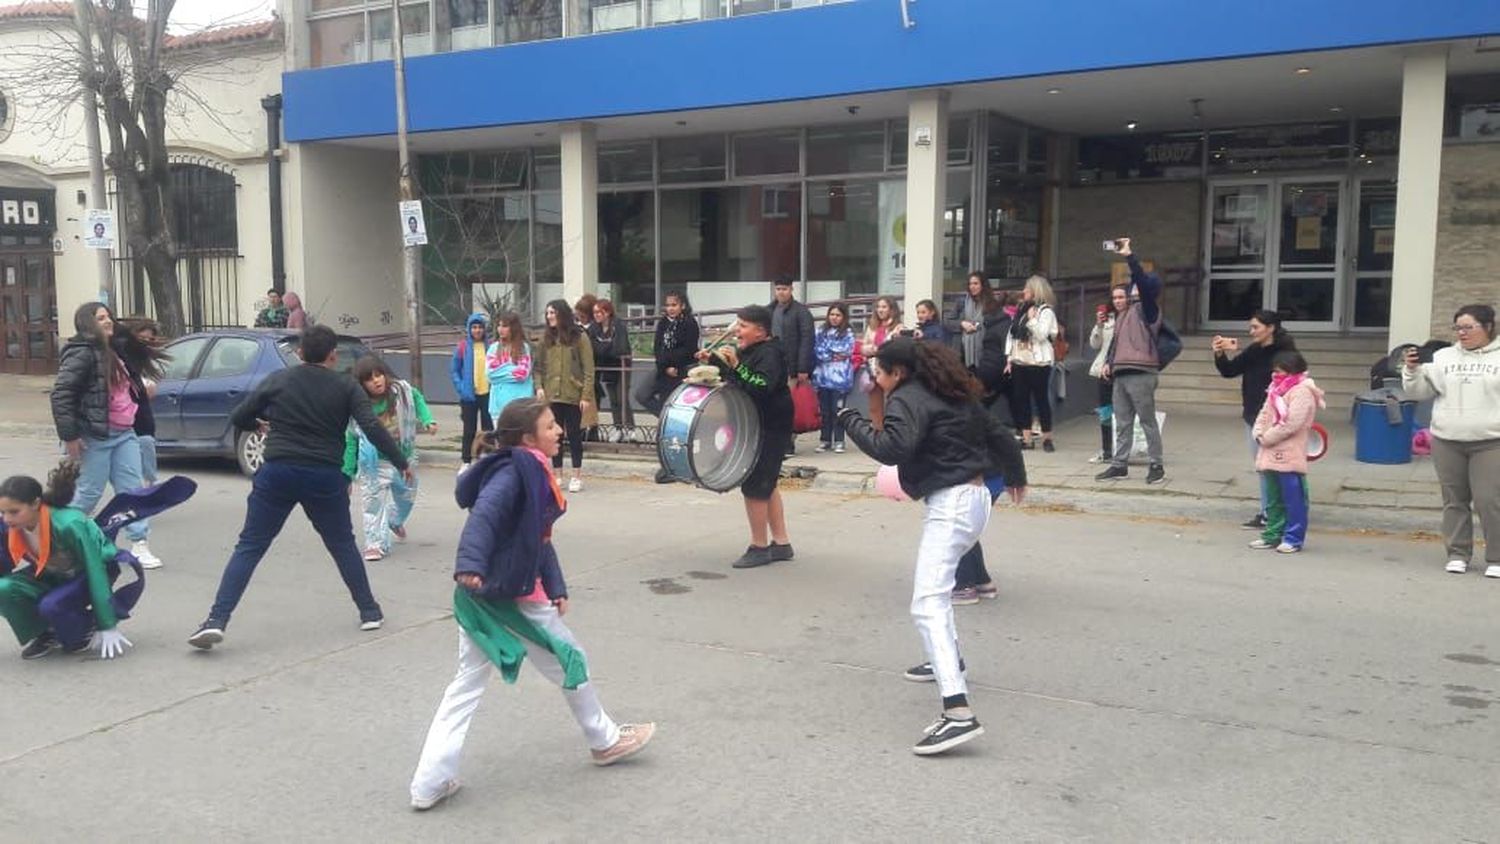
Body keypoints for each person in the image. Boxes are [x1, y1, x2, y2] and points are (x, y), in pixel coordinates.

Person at [407, 400, 655, 812]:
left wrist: (556, 584)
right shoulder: (515, 472)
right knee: (572, 661)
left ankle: (429, 782)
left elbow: (536, 537)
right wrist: (469, 563)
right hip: (511, 598)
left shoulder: (524, 467)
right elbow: (483, 517)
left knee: (466, 684)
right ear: (527, 439)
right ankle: (605, 740)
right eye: (550, 425)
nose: (559, 431)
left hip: (484, 596)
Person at [836, 338, 1027, 755]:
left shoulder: (906, 398)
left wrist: (850, 419)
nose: (875, 379)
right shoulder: (951, 391)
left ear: (897, 373)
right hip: (975, 501)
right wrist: (1016, 476)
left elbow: (892, 448)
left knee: (927, 602)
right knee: (935, 595)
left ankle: (958, 713)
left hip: (953, 503)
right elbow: (1001, 436)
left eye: (879, 373)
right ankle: (947, 660)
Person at [187, 325, 413, 650]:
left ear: (301, 354)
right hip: (323, 475)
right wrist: (400, 460)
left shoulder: (279, 380)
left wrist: (258, 424)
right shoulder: (346, 386)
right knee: (342, 545)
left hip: (278, 471)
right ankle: (369, 611)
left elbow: (240, 415)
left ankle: (216, 620)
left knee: (249, 546)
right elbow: (373, 428)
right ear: (333, 356)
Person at [51, 303, 156, 566]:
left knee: (132, 491)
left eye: (108, 316)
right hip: (96, 435)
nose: (107, 321)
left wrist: (141, 389)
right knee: (88, 493)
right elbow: (62, 394)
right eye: (100, 318)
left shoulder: (114, 348)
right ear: (88, 324)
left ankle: (139, 543)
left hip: (125, 433)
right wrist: (70, 436)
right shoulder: (82, 353)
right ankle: (61, 543)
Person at [0, 462, 137, 660]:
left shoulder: (69, 524)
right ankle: (47, 632)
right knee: (3, 588)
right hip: (53, 573)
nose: (6, 519)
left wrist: (106, 623)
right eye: (3, 512)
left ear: (36, 504)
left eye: (14, 511)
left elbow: (95, 568)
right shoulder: (10, 525)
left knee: (52, 607)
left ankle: (86, 626)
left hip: (88, 574)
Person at [1402, 304, 1500, 578]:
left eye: (1469, 327)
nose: (1462, 333)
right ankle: (1458, 553)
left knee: (1489, 499)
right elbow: (1419, 392)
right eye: (1458, 328)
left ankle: (1496, 557)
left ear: (1488, 327)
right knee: (1454, 500)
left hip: (1491, 440)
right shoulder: (1443, 356)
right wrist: (1412, 371)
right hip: (1447, 439)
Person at [698, 305, 795, 568]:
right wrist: (714, 361)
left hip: (770, 425)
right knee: (768, 483)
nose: (736, 330)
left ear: (760, 331)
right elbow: (739, 378)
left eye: (743, 326)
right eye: (737, 324)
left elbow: (761, 385)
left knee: (755, 485)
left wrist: (737, 365)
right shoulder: (753, 350)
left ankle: (759, 546)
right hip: (758, 423)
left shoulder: (771, 354)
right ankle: (782, 543)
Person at [345, 355, 436, 562]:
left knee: (407, 496)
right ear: (361, 384)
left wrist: (428, 420)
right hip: (375, 462)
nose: (377, 381)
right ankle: (374, 543)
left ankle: (394, 521)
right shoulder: (358, 408)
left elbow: (418, 398)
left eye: (379, 375)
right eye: (370, 379)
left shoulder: (400, 392)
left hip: (404, 458)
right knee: (373, 502)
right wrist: (347, 473)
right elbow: (350, 440)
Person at [1213, 309, 1297, 529]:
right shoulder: (1254, 350)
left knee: (1275, 467)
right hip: (1253, 415)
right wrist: (1220, 354)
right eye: (1251, 327)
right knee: (1262, 467)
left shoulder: (1285, 352)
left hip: (1275, 417)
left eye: (1256, 327)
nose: (1251, 332)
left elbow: (1294, 382)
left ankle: (1274, 513)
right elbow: (1229, 371)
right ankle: (1270, 510)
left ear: (1270, 328)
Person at [1096, 238, 1166, 484]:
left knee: (1146, 420)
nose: (1133, 287)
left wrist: (1129, 256)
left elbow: (1143, 283)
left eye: (1138, 285)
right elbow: (1116, 341)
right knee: (1122, 421)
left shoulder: (1148, 309)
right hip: (1122, 371)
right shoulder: (1125, 312)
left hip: (1141, 371)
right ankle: (1119, 464)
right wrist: (1109, 362)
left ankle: (1156, 464)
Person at [1248, 351, 1325, 554]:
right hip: (1270, 450)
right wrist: (1258, 432)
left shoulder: (1302, 391)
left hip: (1289, 452)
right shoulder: (1276, 389)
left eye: (1280, 370)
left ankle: (1293, 538)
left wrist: (1267, 438)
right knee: (1273, 498)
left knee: (1294, 498)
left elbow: (1291, 423)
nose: (1276, 374)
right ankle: (1272, 535)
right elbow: (1264, 413)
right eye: (1275, 370)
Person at [112, 317, 170, 569]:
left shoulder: (137, 357)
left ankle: (139, 542)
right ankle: (63, 535)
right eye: (143, 338)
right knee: (87, 490)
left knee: (133, 483)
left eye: (150, 339)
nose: (147, 342)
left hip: (135, 429)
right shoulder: (111, 350)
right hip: (104, 432)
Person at [636, 292, 699, 483]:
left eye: (674, 305)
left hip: (679, 372)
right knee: (642, 395)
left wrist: (673, 365)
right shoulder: (663, 323)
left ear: (682, 306)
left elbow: (689, 350)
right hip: (663, 369)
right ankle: (665, 416)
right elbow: (657, 347)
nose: (670, 308)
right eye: (668, 305)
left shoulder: (689, 323)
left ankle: (672, 466)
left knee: (673, 423)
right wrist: (665, 365)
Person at [534, 300, 596, 494]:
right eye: (547, 313)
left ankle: (576, 475)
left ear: (562, 313)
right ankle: (557, 474)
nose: (549, 316)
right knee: (555, 436)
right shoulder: (546, 338)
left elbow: (589, 369)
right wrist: (539, 387)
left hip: (573, 395)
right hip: (553, 394)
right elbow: (538, 367)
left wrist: (585, 395)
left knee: (575, 435)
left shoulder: (579, 337)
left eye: (552, 312)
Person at [1004, 274, 1059, 452]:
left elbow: (1042, 335)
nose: (1024, 291)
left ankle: (1047, 437)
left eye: (1027, 288)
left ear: (1035, 291)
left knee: (1041, 399)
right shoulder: (1021, 310)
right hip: (1021, 359)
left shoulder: (1046, 311)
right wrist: (1009, 357)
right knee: (1022, 399)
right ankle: (1027, 438)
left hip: (1038, 361)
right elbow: (1011, 335)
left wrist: (1032, 319)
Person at [768, 276, 815, 456]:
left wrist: (803, 368)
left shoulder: (801, 312)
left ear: (792, 289)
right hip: (772, 367)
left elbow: (807, 340)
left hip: (792, 368)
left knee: (789, 406)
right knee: (774, 406)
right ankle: (776, 441)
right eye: (778, 288)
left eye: (785, 289)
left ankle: (789, 442)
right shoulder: (770, 310)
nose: (781, 292)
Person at [812, 303, 860, 454]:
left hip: (840, 379)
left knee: (837, 410)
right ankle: (825, 440)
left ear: (844, 317)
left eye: (838, 315)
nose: (834, 318)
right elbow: (817, 349)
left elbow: (846, 350)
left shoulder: (848, 332)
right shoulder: (820, 330)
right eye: (832, 314)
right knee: (824, 411)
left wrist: (830, 352)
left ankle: (839, 440)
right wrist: (830, 354)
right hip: (823, 377)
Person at [1087, 287, 1127, 463]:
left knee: (1123, 412)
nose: (1118, 301)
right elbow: (1095, 345)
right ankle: (1106, 450)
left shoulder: (1133, 318)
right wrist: (1099, 325)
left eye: (1121, 297)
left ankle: (1123, 450)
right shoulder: (1108, 319)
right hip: (1104, 371)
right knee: (1105, 411)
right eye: (1115, 298)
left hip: (1125, 370)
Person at [450, 313, 493, 471]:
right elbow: (454, 370)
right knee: (469, 429)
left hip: (487, 393)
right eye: (474, 327)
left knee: (488, 429)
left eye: (480, 327)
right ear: (469, 329)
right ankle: (466, 461)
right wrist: (461, 387)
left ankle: (486, 457)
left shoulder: (490, 346)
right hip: (469, 395)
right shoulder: (462, 347)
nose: (477, 330)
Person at [859, 296, 905, 430]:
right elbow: (863, 347)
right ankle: (877, 434)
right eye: (878, 307)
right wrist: (871, 349)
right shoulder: (872, 327)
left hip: (890, 370)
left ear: (892, 309)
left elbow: (898, 348)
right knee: (874, 407)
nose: (880, 310)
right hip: (874, 370)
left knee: (892, 404)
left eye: (884, 307)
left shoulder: (899, 327)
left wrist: (879, 349)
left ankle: (893, 433)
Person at [588, 299, 633, 431]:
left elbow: (620, 348)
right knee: (613, 399)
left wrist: (603, 348)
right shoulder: (594, 328)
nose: (596, 315)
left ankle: (630, 429)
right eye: (594, 312)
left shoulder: (618, 325)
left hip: (622, 366)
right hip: (607, 366)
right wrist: (607, 346)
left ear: (607, 313)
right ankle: (618, 428)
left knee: (622, 398)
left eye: (599, 312)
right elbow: (593, 349)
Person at [485, 312, 534, 420]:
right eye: (499, 325)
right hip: (498, 407)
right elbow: (490, 374)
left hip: (521, 405)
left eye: (505, 326)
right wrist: (512, 368)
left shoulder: (523, 348)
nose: (500, 329)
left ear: (513, 328)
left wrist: (501, 370)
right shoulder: (493, 348)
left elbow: (522, 374)